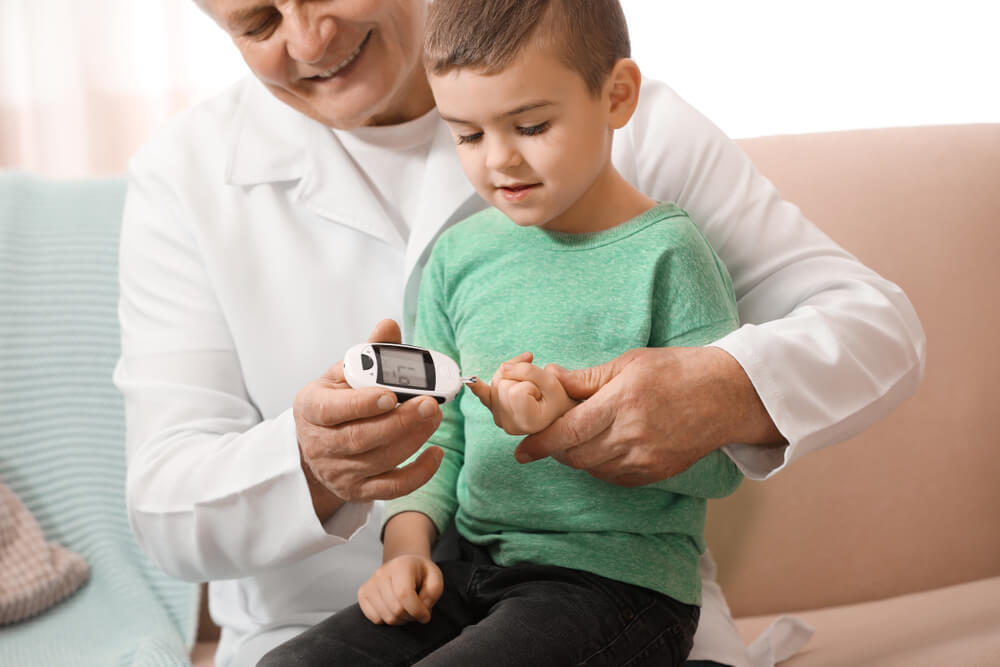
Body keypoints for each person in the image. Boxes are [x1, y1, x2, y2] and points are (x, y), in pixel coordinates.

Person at [114, 0, 925, 665]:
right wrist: (310, 462)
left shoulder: (629, 125)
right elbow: (161, 509)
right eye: (258, 22)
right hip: (356, 610)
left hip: (607, 592)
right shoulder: (181, 177)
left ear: (613, 98)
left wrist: (718, 393)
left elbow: (877, 327)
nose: (309, 39)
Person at [257, 1, 745, 664]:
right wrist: (404, 551)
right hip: (469, 573)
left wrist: (570, 412)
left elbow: (722, 466)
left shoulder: (669, 255)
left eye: (532, 125)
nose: (500, 161)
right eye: (467, 135)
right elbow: (442, 428)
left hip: (616, 587)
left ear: (617, 96)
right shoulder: (459, 259)